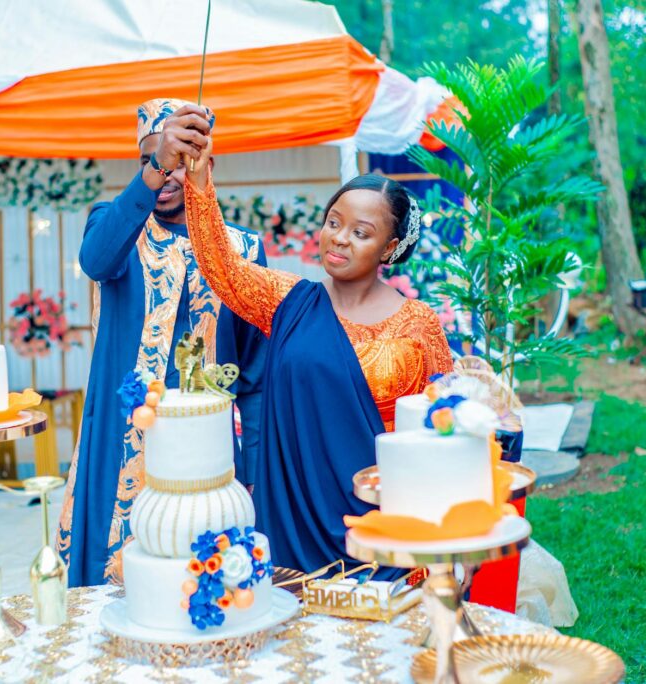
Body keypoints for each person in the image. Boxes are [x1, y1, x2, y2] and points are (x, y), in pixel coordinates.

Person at [178, 105, 454, 573]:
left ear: (389, 248)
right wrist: (200, 179)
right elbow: (221, 265)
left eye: (361, 232)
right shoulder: (289, 301)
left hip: (385, 527)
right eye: (333, 222)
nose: (340, 239)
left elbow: (442, 428)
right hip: (294, 521)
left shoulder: (419, 324)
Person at [57, 99, 267, 586]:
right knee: (112, 589)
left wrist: (252, 469)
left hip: (209, 449)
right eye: (153, 158)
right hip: (121, 440)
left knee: (200, 580)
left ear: (206, 162)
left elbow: (255, 374)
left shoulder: (243, 250)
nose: (168, 172)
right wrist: (156, 169)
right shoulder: (115, 225)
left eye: (179, 159)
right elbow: (95, 261)